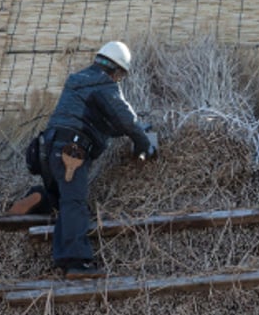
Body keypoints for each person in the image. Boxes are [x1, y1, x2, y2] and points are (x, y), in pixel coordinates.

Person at [14, 41, 156, 279]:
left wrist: (135, 131)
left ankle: (40, 197)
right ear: (117, 70)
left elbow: (104, 124)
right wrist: (144, 143)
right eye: (120, 75)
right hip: (72, 152)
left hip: (47, 150)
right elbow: (125, 119)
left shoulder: (78, 81)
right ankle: (76, 263)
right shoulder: (104, 84)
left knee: (61, 200)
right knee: (75, 204)